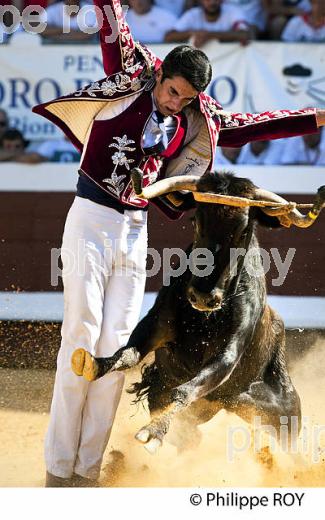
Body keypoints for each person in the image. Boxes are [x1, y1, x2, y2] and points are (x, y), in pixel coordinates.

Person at [33, 0, 325, 487]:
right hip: (90, 217)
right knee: (81, 338)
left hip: (134, 229)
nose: (175, 102)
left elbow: (255, 125)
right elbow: (112, 22)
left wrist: (319, 117)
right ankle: (58, 468)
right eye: (171, 91)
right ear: (160, 74)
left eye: (186, 98)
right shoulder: (132, 71)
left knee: (117, 349)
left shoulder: (194, 113)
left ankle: (85, 470)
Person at [166, 0, 252, 47]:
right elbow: (168, 36)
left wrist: (208, 35)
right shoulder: (192, 14)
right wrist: (193, 33)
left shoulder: (232, 11)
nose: (212, 2)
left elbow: (245, 34)